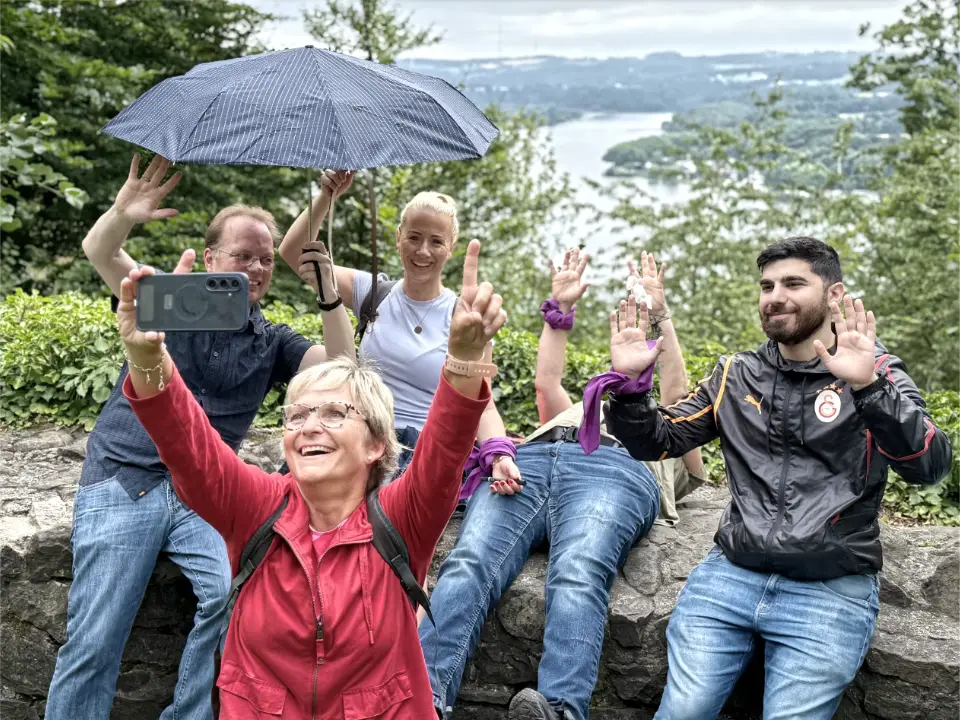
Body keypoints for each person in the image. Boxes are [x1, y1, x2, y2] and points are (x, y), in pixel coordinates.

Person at [115, 239, 505, 718]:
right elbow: (189, 447)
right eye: (296, 416)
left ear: (376, 444)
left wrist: (462, 360)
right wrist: (147, 357)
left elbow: (444, 451)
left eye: (334, 413)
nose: (308, 427)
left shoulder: (401, 519)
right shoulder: (258, 508)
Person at [46, 154, 347, 720]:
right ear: (211, 259)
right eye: (242, 255)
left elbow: (341, 365)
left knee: (234, 597)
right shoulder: (172, 299)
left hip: (203, 494)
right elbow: (101, 252)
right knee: (95, 640)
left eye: (266, 259)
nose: (257, 267)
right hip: (126, 479)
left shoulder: (272, 340)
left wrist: (329, 291)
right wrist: (122, 214)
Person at [603, 237, 954, 720]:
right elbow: (658, 441)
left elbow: (930, 465)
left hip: (830, 588)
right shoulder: (736, 373)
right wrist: (628, 390)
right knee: (683, 711)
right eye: (767, 286)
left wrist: (868, 388)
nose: (775, 296)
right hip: (730, 575)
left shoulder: (874, 371)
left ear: (834, 294)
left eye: (793, 283)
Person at [419, 249, 702, 720]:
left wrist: (660, 316)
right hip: (531, 458)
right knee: (469, 562)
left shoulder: (673, 436)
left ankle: (559, 710)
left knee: (578, 570)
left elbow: (677, 395)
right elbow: (546, 382)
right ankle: (421, 699)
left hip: (615, 467)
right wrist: (560, 311)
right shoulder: (576, 410)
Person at [278, 172, 522, 484]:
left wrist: (499, 454)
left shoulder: (465, 318)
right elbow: (292, 252)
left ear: (451, 247)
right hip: (364, 443)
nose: (423, 251)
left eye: (436, 241)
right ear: (398, 238)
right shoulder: (372, 292)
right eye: (414, 237)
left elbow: (482, 407)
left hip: (424, 455)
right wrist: (327, 195)